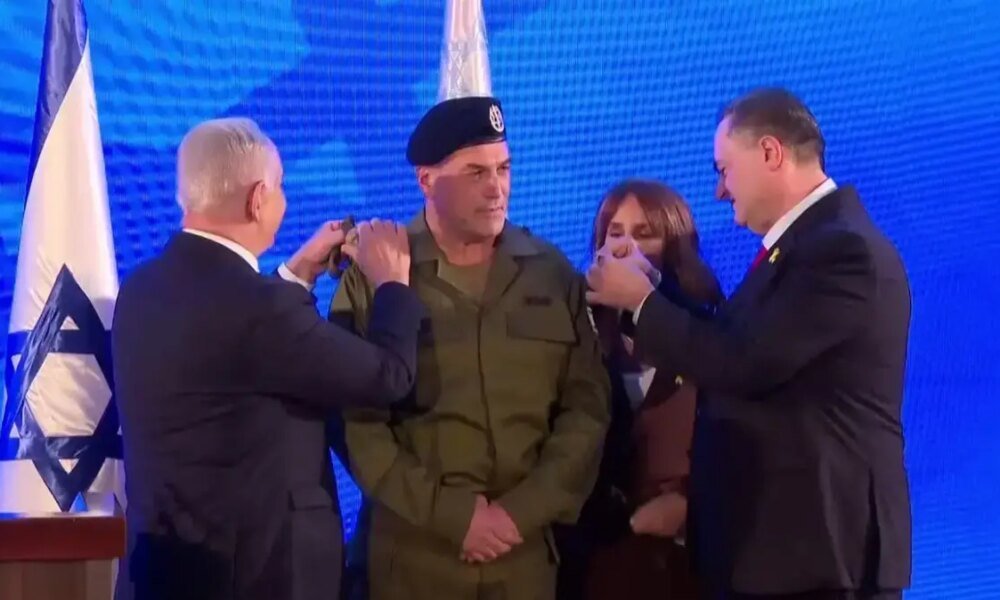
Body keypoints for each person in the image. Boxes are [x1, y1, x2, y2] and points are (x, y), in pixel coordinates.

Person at [585, 88, 912, 600]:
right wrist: (648, 293)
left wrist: (644, 302)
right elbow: (733, 341)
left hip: (823, 554)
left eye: (725, 169)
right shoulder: (803, 249)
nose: (720, 190)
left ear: (770, 153)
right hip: (783, 555)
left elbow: (743, 361)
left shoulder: (841, 251)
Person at [112, 117, 424, 600]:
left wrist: (296, 275)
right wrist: (392, 284)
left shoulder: (139, 290)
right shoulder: (260, 310)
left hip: (164, 575)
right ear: (257, 199)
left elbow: (236, 353)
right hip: (257, 579)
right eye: (280, 187)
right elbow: (389, 376)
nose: (284, 199)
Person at [331, 96, 610, 600]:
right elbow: (354, 424)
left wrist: (518, 514)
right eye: (476, 172)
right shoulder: (375, 277)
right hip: (416, 562)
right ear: (426, 180)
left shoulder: (550, 271)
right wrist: (454, 517)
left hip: (523, 560)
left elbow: (586, 408)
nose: (497, 188)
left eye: (504, 168)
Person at [556, 180, 722, 600]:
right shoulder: (575, 332)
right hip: (593, 561)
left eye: (645, 234)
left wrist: (691, 508)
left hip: (685, 564)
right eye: (614, 233)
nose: (625, 246)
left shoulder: (709, 334)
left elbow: (743, 448)